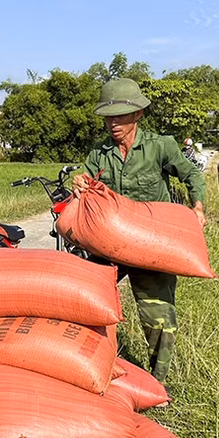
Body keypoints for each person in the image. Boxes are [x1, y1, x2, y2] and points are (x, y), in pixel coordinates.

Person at [71, 77, 205, 389]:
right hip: (108, 248)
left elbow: (191, 174)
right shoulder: (99, 155)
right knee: (85, 304)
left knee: (157, 317)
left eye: (120, 115)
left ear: (137, 115)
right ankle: (91, 368)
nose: (113, 123)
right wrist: (78, 183)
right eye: (108, 116)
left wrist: (198, 207)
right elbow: (84, 183)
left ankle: (157, 382)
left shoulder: (161, 147)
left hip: (151, 247)